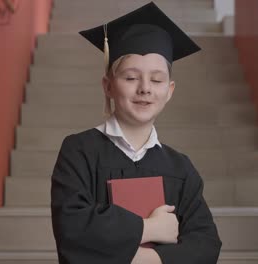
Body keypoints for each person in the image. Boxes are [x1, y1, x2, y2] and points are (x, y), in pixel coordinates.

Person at [51, 2, 222, 263]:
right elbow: (72, 229)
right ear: (108, 86)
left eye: (156, 80)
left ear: (170, 90)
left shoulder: (180, 168)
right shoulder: (79, 151)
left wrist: (148, 259)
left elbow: (206, 243)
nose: (145, 88)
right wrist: (148, 228)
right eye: (131, 78)